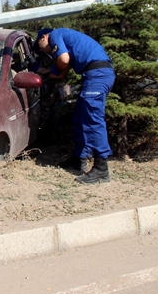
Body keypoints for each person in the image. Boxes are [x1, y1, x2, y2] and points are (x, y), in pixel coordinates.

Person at [35, 28, 116, 184]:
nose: (41, 50)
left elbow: (63, 61)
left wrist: (52, 69)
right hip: (95, 74)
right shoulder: (66, 42)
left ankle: (101, 168)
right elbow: (60, 73)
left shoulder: (56, 35)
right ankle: (79, 159)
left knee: (93, 120)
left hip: (98, 74)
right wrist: (42, 72)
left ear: (44, 37)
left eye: (39, 46)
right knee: (79, 117)